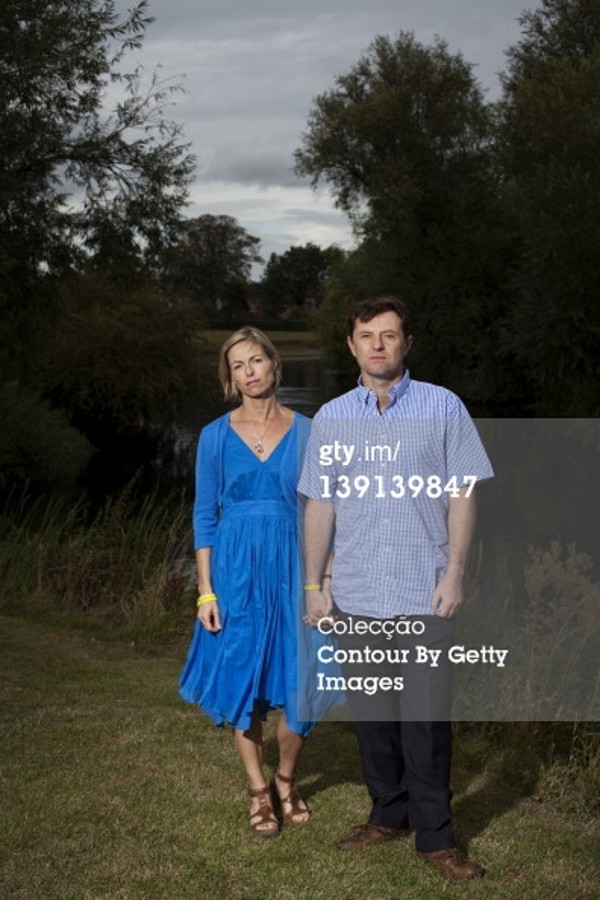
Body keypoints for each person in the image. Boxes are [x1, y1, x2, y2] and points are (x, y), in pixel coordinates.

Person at [298, 296, 494, 880]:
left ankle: (436, 837)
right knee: (374, 719)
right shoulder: (331, 417)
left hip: (424, 593)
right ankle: (387, 814)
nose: (378, 345)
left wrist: (455, 572)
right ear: (351, 345)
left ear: (407, 343)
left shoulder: (444, 406)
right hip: (355, 595)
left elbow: (463, 494)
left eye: (388, 334)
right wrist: (315, 583)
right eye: (367, 335)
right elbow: (320, 504)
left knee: (426, 723)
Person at [179, 326, 326, 837]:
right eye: (238, 365)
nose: (249, 372)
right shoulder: (215, 436)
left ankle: (286, 777)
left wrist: (324, 578)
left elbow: (323, 509)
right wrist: (206, 590)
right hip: (235, 572)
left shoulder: (309, 431)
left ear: (274, 364)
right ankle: (258, 790)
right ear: (230, 377)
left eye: (256, 360)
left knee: (302, 679)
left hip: (293, 568)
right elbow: (204, 516)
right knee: (243, 677)